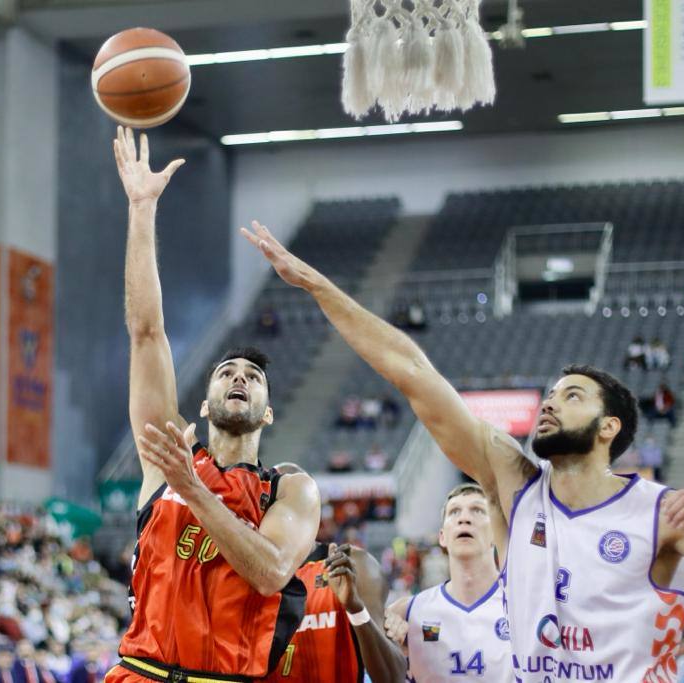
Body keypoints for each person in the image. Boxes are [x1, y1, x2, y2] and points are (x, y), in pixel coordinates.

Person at [242, 221, 684, 681]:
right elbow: (415, 374)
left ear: (609, 428)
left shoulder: (661, 514)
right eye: (551, 395)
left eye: (571, 396)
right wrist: (318, 286)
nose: (551, 404)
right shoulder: (514, 484)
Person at [107, 128, 320, 682]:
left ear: (268, 412)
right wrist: (141, 210)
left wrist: (197, 491)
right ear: (202, 404)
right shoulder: (167, 456)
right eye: (227, 372)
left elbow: (271, 571)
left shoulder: (288, 489)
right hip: (138, 671)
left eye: (253, 377)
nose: (239, 378)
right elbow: (146, 332)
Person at [260, 463, 405, 683]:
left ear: (314, 505)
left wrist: (356, 609)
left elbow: (392, 676)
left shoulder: (353, 564)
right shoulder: (247, 574)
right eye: (276, 495)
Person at [382, 483, 512, 682]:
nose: (464, 518)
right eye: (454, 512)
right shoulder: (406, 613)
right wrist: (390, 646)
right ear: (442, 537)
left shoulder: (521, 607)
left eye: (477, 510)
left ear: (496, 532)